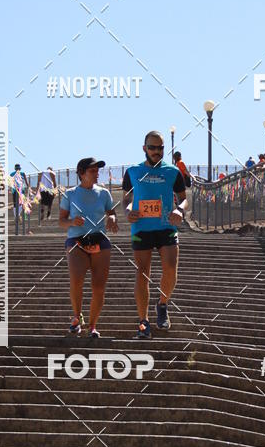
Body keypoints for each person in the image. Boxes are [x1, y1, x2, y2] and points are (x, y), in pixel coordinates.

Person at [122, 131, 187, 339]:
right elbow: (126, 199)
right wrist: (127, 211)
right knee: (142, 272)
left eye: (160, 148)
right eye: (152, 148)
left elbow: (185, 198)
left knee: (170, 267)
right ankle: (143, 321)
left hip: (166, 226)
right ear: (144, 149)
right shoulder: (132, 171)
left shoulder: (173, 171)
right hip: (141, 228)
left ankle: (162, 304)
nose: (157, 151)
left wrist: (180, 210)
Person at [59, 157, 118, 338]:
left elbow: (112, 212)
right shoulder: (69, 194)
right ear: (81, 173)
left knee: (98, 286)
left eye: (97, 170)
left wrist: (112, 219)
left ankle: (92, 325)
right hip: (77, 239)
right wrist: (71, 222)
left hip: (99, 238)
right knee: (77, 279)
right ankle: (77, 317)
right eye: (92, 170)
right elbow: (61, 221)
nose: (96, 173)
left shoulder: (104, 193)